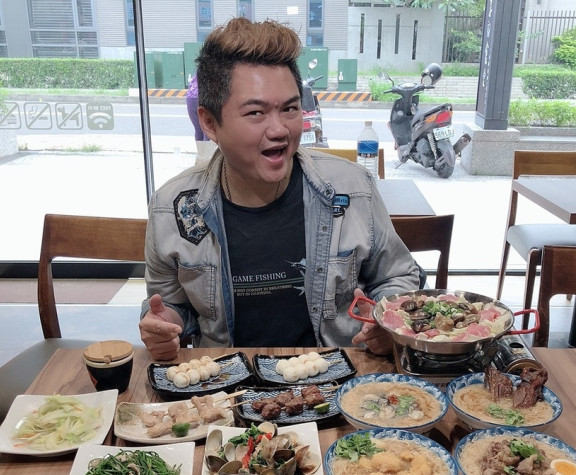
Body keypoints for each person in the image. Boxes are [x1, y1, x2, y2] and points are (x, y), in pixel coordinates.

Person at [139, 17, 422, 361]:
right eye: (256, 113)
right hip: (226, 382)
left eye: (289, 109)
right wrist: (163, 324)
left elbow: (398, 276)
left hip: (338, 377)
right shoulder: (172, 207)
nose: (279, 130)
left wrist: (385, 321)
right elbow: (169, 306)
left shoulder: (353, 189)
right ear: (210, 123)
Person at [185, 74, 208, 141]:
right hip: (203, 98)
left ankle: (201, 147)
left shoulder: (198, 72)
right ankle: (206, 148)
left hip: (190, 98)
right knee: (207, 130)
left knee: (198, 129)